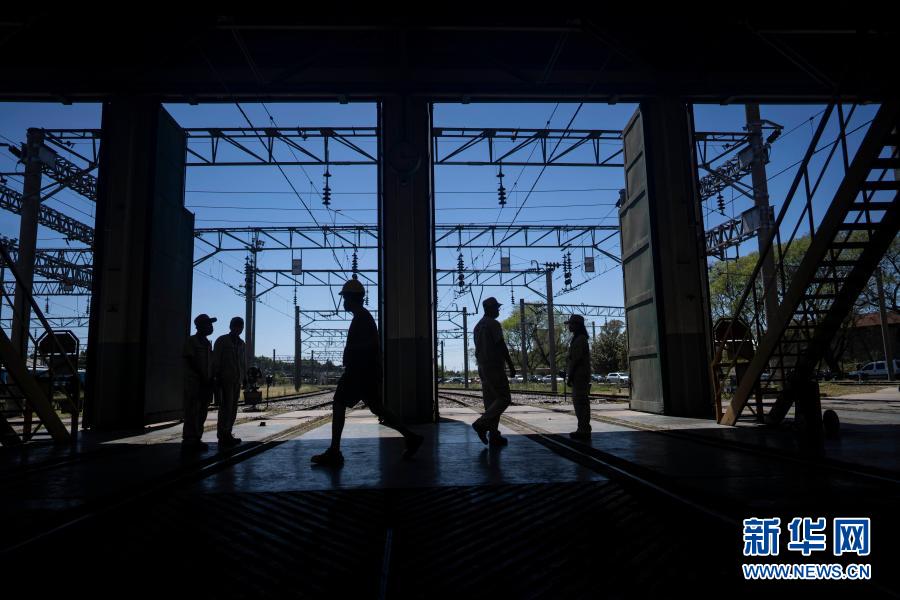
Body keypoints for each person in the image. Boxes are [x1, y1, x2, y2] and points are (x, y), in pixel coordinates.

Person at [311, 278, 424, 467]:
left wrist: (350, 353)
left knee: (339, 402)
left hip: (359, 372)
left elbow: (370, 346)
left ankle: (334, 451)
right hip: (365, 372)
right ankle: (411, 437)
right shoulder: (362, 317)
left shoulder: (362, 318)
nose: (343, 302)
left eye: (345, 298)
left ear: (351, 298)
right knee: (378, 408)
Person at [472, 297, 515, 446]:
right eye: (497, 308)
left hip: (482, 366)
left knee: (491, 402)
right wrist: (511, 365)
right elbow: (501, 344)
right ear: (490, 308)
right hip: (494, 366)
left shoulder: (477, 326)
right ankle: (481, 423)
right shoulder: (493, 324)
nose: (498, 310)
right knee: (504, 398)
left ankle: (494, 435)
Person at [182, 313, 216, 450]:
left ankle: (197, 438)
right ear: (200, 326)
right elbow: (190, 360)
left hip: (206, 383)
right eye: (209, 324)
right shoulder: (192, 341)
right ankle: (189, 439)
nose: (211, 327)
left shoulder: (207, 343)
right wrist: (202, 376)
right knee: (192, 411)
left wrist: (211, 378)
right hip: (194, 383)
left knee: (202, 412)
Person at [212, 316, 247, 448]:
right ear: (231, 326)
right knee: (225, 408)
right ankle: (223, 435)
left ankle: (228, 433)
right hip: (224, 380)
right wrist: (216, 377)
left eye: (241, 326)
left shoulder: (242, 344)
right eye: (237, 326)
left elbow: (242, 363)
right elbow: (216, 360)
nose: (239, 328)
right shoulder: (222, 341)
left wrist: (244, 378)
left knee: (233, 409)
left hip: (236, 380)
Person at [565, 314, 592, 440]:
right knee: (580, 402)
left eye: (571, 324)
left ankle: (584, 430)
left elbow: (576, 359)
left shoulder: (580, 339)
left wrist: (570, 376)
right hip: (579, 375)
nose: (569, 326)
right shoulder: (578, 338)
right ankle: (582, 428)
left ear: (577, 325)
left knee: (580, 403)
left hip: (579, 376)